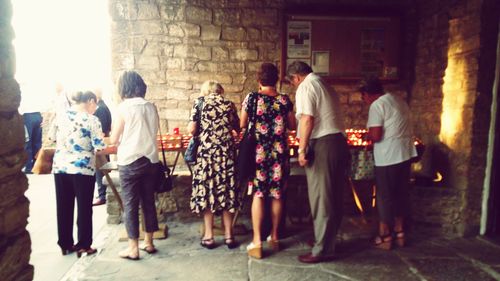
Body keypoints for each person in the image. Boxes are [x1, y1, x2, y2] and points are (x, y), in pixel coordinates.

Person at [287, 61, 349, 263]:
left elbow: (307, 119)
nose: (295, 85)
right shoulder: (323, 84)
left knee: (321, 197)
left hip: (324, 143)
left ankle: (322, 250)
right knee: (333, 197)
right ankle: (326, 241)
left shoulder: (306, 86)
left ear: (296, 77)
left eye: (293, 82)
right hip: (337, 142)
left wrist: (302, 148)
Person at [241, 63, 296, 259]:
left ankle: (257, 241)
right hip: (279, 153)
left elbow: (242, 124)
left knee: (258, 194)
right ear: (277, 80)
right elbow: (292, 125)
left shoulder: (252, 98)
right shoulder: (284, 100)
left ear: (259, 80)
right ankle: (274, 237)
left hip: (257, 154)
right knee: (277, 194)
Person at [360, 76, 417, 250]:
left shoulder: (377, 105)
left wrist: (366, 136)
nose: (364, 100)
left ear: (368, 94)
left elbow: (376, 135)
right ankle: (400, 233)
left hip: (388, 157)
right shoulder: (399, 100)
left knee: (385, 197)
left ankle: (385, 236)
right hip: (405, 153)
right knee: (400, 194)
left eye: (363, 97)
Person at [109, 70, 160, 260]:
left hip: (129, 160)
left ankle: (133, 248)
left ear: (124, 87)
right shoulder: (151, 107)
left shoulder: (123, 108)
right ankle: (149, 242)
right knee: (149, 202)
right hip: (150, 160)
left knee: (130, 205)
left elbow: (114, 139)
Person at [51, 90, 106, 257]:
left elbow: (52, 137)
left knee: (63, 205)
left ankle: (65, 243)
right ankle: (83, 245)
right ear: (89, 101)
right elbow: (99, 147)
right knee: (84, 207)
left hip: (60, 167)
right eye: (95, 104)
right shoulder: (92, 120)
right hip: (82, 169)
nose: (95, 108)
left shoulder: (60, 116)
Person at [188, 80, 240, 250]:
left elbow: (192, 130)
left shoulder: (200, 103)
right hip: (226, 156)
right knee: (227, 193)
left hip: (207, 157)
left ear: (206, 91)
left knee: (207, 192)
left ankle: (209, 236)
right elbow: (237, 128)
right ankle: (229, 236)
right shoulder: (229, 104)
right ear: (220, 90)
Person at [92, 88, 112, 206]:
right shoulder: (102, 107)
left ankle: (102, 195)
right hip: (102, 142)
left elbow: (102, 129)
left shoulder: (101, 109)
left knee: (101, 169)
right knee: (101, 169)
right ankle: (102, 193)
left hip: (102, 143)